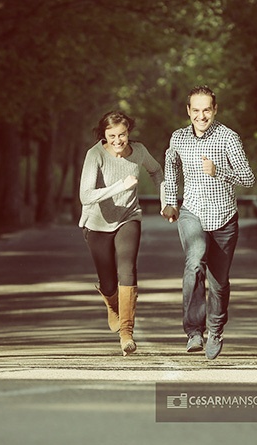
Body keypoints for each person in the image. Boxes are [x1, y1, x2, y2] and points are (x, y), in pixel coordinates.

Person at [161, 85, 255, 360]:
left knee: (218, 282)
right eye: (196, 110)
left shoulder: (228, 138)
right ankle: (193, 331)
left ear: (214, 110)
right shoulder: (178, 138)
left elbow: (248, 178)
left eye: (207, 110)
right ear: (188, 111)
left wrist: (219, 171)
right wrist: (170, 201)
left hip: (224, 216)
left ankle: (215, 331)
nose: (201, 116)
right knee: (194, 262)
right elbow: (171, 166)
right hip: (192, 212)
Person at [79, 110, 164, 356]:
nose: (118, 140)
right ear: (104, 135)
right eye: (112, 135)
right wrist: (119, 186)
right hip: (97, 223)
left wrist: (165, 199)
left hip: (129, 216)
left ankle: (127, 333)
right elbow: (85, 196)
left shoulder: (138, 152)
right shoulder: (95, 155)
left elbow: (156, 171)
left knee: (127, 268)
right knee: (107, 282)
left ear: (129, 133)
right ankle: (112, 305)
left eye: (123, 134)